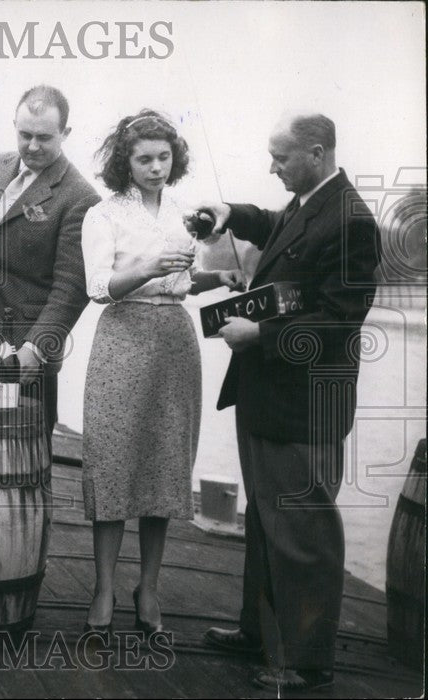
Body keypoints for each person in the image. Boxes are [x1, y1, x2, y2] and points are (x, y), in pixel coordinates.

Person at [194, 113, 380, 692]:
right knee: (264, 521)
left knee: (303, 531)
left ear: (317, 153)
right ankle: (258, 631)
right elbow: (277, 224)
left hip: (304, 408)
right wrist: (231, 213)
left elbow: (341, 320)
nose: (272, 166)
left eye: (281, 157)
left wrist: (260, 334)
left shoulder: (352, 221)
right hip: (268, 398)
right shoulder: (311, 204)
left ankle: (306, 661)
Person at [80, 110, 243, 639]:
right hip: (123, 337)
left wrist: (217, 277)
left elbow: (182, 281)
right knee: (113, 462)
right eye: (144, 159)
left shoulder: (181, 213)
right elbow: (98, 287)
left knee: (165, 465)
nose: (155, 167)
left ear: (176, 159)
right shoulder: (103, 215)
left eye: (164, 158)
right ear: (124, 163)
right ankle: (103, 587)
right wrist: (149, 267)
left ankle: (148, 588)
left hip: (174, 338)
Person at [0, 85, 100, 441]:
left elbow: (70, 288)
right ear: (14, 126)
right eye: (25, 135)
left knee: (18, 453)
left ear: (65, 133)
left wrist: (36, 349)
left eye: (44, 137)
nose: (33, 146)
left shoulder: (80, 197)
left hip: (20, 348)